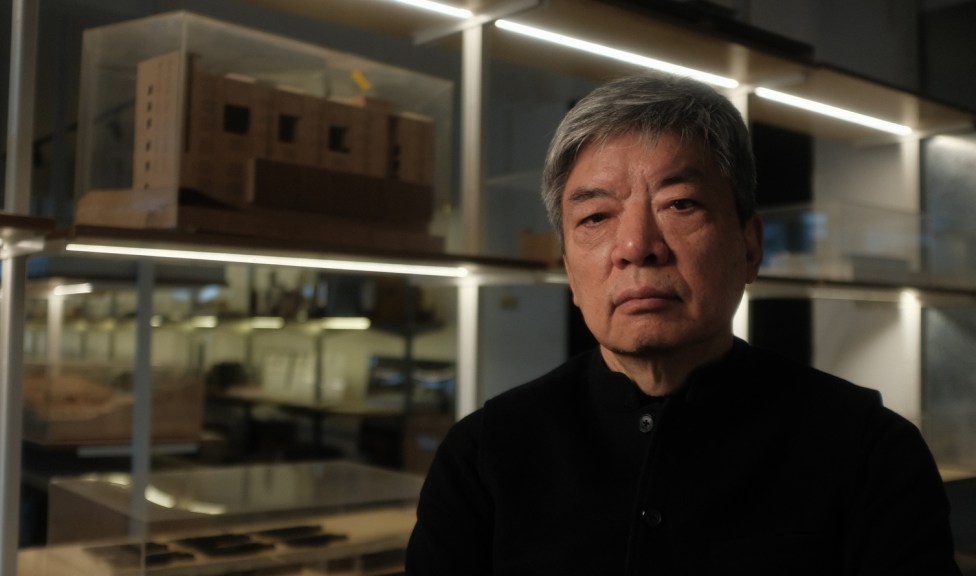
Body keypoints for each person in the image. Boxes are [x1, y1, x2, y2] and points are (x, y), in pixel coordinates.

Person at [404, 73, 961, 575]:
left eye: (680, 204)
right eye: (595, 216)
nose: (636, 246)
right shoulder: (483, 456)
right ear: (570, 271)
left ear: (749, 247)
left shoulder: (868, 451)